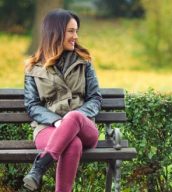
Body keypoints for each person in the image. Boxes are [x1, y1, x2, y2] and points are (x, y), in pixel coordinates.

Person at [23, 9, 102, 191]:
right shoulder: (33, 68)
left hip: (84, 126)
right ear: (56, 33)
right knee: (72, 144)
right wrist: (57, 121)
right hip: (48, 129)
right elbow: (32, 105)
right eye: (71, 31)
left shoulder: (84, 62)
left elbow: (95, 99)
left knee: (73, 117)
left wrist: (71, 119)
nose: (76, 36)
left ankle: (40, 167)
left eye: (76, 31)